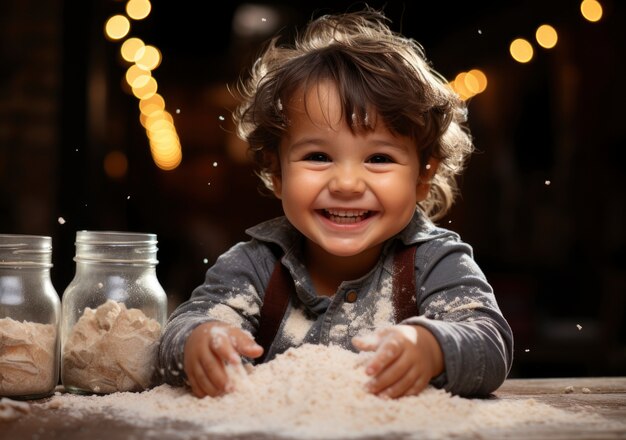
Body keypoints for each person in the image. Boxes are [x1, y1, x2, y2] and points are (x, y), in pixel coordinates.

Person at [157, 6, 514, 399]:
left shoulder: (435, 263)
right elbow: (178, 333)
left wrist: (431, 347)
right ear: (277, 173)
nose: (346, 183)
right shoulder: (255, 268)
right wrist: (200, 341)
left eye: (379, 159)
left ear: (423, 177)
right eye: (318, 157)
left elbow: (489, 344)